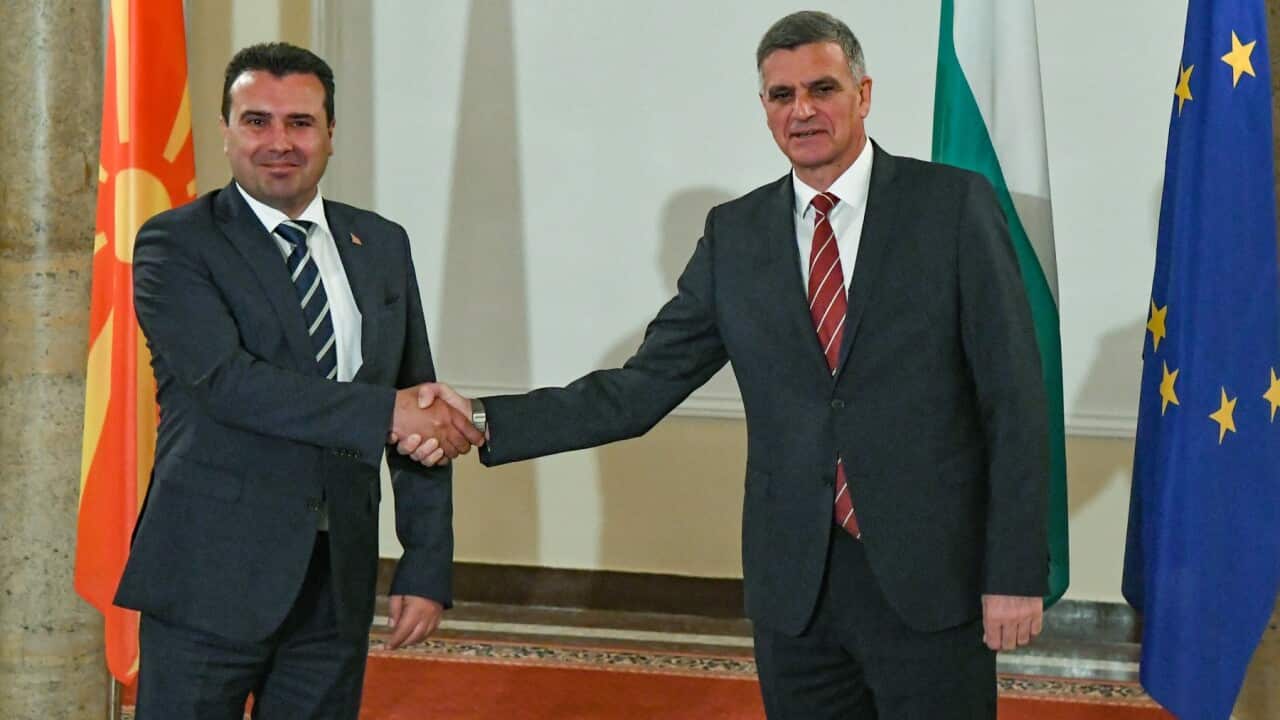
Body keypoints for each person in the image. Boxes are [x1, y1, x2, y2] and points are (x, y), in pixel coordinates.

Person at [405, 11, 1050, 719]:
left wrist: (1014, 572)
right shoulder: (736, 234)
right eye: (781, 95)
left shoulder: (952, 207)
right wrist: (484, 419)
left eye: (822, 88)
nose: (802, 110)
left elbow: (1013, 399)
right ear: (766, 109)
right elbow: (640, 388)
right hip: (794, 590)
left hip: (932, 580)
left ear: (863, 94)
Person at [114, 42, 483, 719]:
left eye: (301, 123)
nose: (279, 142)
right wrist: (389, 414)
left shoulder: (381, 245)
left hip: (334, 586)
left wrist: (427, 561)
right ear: (225, 131)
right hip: (208, 578)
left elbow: (416, 398)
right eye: (257, 121)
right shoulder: (176, 243)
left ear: (331, 134)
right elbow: (229, 383)